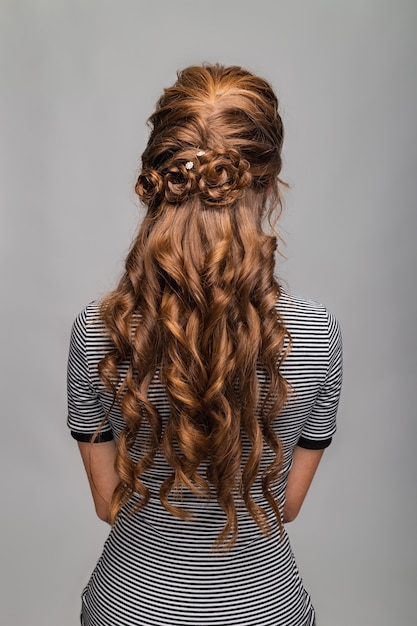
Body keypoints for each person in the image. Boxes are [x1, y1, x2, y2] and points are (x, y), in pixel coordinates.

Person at [67, 63, 342, 626]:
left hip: (129, 606)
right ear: (269, 182)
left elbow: (106, 504)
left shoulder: (100, 330)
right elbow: (282, 508)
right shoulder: (317, 335)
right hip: (265, 610)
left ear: (158, 179)